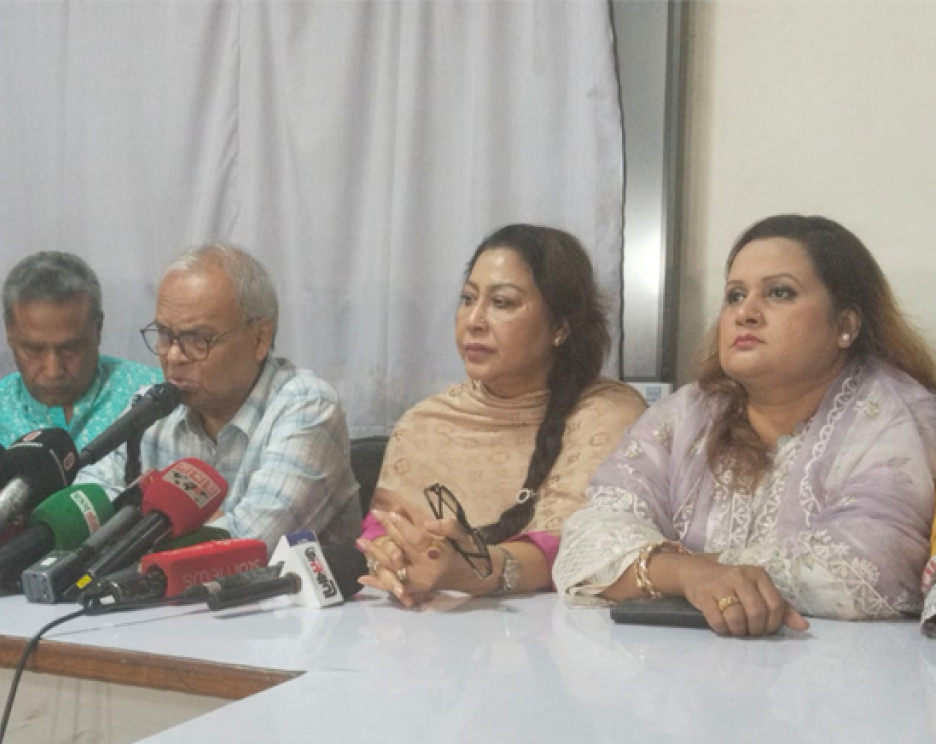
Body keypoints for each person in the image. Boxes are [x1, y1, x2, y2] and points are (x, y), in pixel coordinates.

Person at [553, 214, 936, 636]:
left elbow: (871, 564)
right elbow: (588, 537)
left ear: (845, 324)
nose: (746, 313)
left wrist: (677, 571)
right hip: (677, 661)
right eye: (735, 296)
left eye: (779, 293)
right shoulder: (685, 415)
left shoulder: (895, 415)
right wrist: (686, 574)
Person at [355, 224, 645, 608]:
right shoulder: (426, 423)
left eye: (502, 303)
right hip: (427, 627)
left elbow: (588, 548)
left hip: (566, 634)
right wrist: (394, 558)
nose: (474, 320)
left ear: (560, 327)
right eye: (467, 299)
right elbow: (381, 531)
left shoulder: (608, 416)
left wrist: (475, 570)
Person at [77, 242, 360, 551]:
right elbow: (87, 510)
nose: (173, 356)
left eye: (198, 339)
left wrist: (138, 523)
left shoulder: (307, 407)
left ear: (259, 338)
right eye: (165, 335)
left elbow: (247, 547)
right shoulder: (151, 409)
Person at [0, 251, 161, 448]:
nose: (53, 371)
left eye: (71, 348)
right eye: (34, 350)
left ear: (98, 329)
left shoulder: (154, 400)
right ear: (9, 332)